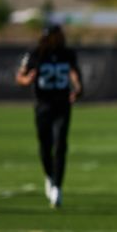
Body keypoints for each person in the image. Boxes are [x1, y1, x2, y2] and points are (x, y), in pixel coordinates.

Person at [15, 23, 82, 208]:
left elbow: (74, 72)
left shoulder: (67, 53)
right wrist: (27, 79)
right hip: (43, 106)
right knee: (45, 146)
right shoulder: (36, 54)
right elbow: (20, 76)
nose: (61, 38)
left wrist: (77, 87)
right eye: (58, 35)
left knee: (60, 144)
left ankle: (57, 187)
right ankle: (49, 175)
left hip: (62, 105)